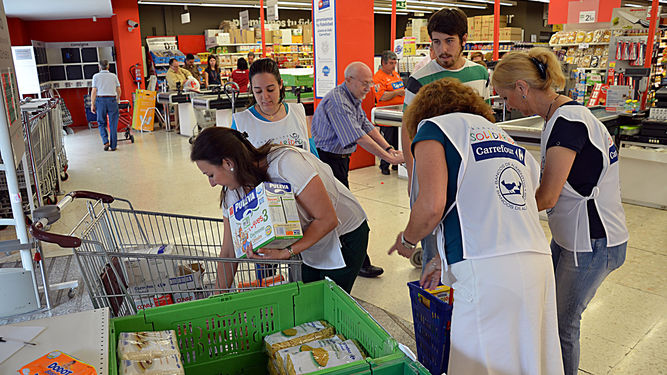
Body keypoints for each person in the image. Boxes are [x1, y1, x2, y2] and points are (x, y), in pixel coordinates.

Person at [389, 77, 563, 374]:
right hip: (537, 264)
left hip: (485, 272)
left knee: (478, 362)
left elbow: (431, 207)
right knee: (529, 359)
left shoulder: (434, 129)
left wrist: (407, 241)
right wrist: (439, 259)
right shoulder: (505, 138)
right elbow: (495, 209)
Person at [492, 48, 629, 375]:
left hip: (594, 241)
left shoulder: (568, 124)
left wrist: (500, 215)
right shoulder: (564, 114)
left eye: (506, 96)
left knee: (564, 324)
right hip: (574, 237)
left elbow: (548, 196)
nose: (507, 105)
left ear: (523, 87)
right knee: (547, 311)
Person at [191, 127, 370, 294]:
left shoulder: (286, 164)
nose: (212, 184)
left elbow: (327, 219)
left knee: (330, 303)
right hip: (308, 242)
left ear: (228, 163)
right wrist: (217, 298)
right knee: (308, 303)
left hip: (345, 236)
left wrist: (287, 252)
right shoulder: (233, 191)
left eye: (210, 175)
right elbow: (229, 252)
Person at [401, 7, 490, 272]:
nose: (443, 50)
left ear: (464, 40)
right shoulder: (419, 80)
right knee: (432, 234)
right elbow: (408, 130)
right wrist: (413, 176)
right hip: (432, 169)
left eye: (449, 41)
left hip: (470, 169)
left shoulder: (480, 74)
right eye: (436, 42)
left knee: (467, 230)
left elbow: (483, 120)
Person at [311, 61, 405, 278]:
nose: (368, 88)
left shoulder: (351, 98)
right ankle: (355, 262)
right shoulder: (338, 102)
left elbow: (366, 126)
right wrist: (388, 157)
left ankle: (351, 260)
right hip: (328, 161)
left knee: (343, 211)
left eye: (370, 83)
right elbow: (358, 136)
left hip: (340, 160)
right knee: (348, 212)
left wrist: (389, 148)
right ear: (349, 80)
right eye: (365, 83)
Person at [232, 58, 318, 156]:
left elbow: (313, 156)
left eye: (270, 89)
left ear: (280, 84)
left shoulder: (298, 112)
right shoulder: (241, 122)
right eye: (258, 91)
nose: (265, 96)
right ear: (251, 89)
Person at [373, 50, 404, 175]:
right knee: (387, 142)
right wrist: (397, 93)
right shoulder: (378, 78)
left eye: (395, 63)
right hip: (386, 116)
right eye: (391, 63)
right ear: (383, 63)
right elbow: (381, 96)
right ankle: (384, 165)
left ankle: (396, 164)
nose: (393, 65)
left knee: (397, 141)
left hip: (397, 114)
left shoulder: (395, 75)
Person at [90, 59, 121, 151]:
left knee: (101, 122)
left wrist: (92, 104)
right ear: (108, 66)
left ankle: (105, 142)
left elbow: (94, 91)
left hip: (101, 101)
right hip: (112, 100)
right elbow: (118, 89)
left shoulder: (95, 76)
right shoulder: (113, 76)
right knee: (113, 124)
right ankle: (114, 145)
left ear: (99, 67)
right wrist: (117, 99)